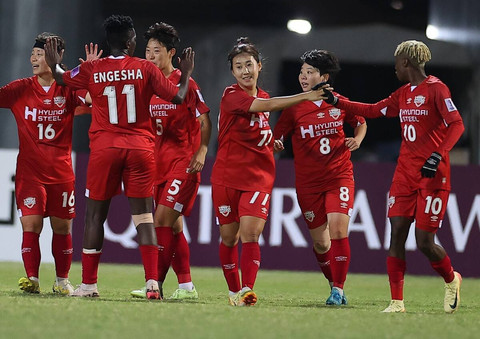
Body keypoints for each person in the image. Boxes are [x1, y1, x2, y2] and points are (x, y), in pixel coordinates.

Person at [44, 14, 194, 299]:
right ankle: (152, 284)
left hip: (105, 149)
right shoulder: (144, 68)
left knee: (94, 218)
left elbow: (63, 79)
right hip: (140, 149)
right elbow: (177, 97)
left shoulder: (93, 69)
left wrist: (55, 63)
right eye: (135, 37)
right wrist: (185, 72)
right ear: (129, 42)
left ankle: (88, 286)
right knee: (144, 217)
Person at [323, 40, 464, 313]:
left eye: (396, 62)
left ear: (406, 63)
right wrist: (338, 102)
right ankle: (397, 301)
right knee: (397, 233)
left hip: (432, 175)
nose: (394, 67)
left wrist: (438, 155)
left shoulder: (437, 89)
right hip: (404, 174)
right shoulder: (403, 94)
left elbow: (456, 124)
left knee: (424, 242)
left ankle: (451, 279)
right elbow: (373, 110)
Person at [211, 37, 329, 306]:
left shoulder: (262, 96)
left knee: (251, 234)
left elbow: (259, 125)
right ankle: (232, 291)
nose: (244, 71)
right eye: (238, 66)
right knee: (229, 238)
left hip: (258, 177)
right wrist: (308, 96)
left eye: (249, 65)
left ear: (259, 66)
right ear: (232, 72)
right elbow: (267, 106)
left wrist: (271, 141)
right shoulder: (231, 95)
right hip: (227, 175)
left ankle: (247, 290)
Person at [273, 49, 366, 305]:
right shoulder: (294, 108)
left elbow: (360, 120)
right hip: (308, 183)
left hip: (339, 176)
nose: (303, 77)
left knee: (338, 230)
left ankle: (338, 289)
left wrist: (356, 139)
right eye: (302, 72)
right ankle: (333, 282)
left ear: (324, 76)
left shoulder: (338, 101)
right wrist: (277, 143)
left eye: (310, 72)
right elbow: (276, 136)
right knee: (322, 244)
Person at [0, 32, 90, 295]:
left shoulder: (68, 88)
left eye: (40, 54)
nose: (34, 59)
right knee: (32, 224)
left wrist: (87, 74)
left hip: (61, 172)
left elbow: (93, 102)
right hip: (30, 173)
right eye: (33, 54)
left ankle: (62, 281)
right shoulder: (20, 88)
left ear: (56, 57)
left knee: (62, 227)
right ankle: (32, 279)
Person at [130, 22, 211, 300]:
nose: (150, 56)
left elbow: (204, 119)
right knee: (173, 227)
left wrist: (201, 151)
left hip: (184, 164)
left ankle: (154, 284)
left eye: (156, 50)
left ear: (171, 53)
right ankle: (187, 286)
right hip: (156, 166)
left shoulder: (186, 83)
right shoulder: (145, 83)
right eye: (147, 50)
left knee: (162, 222)